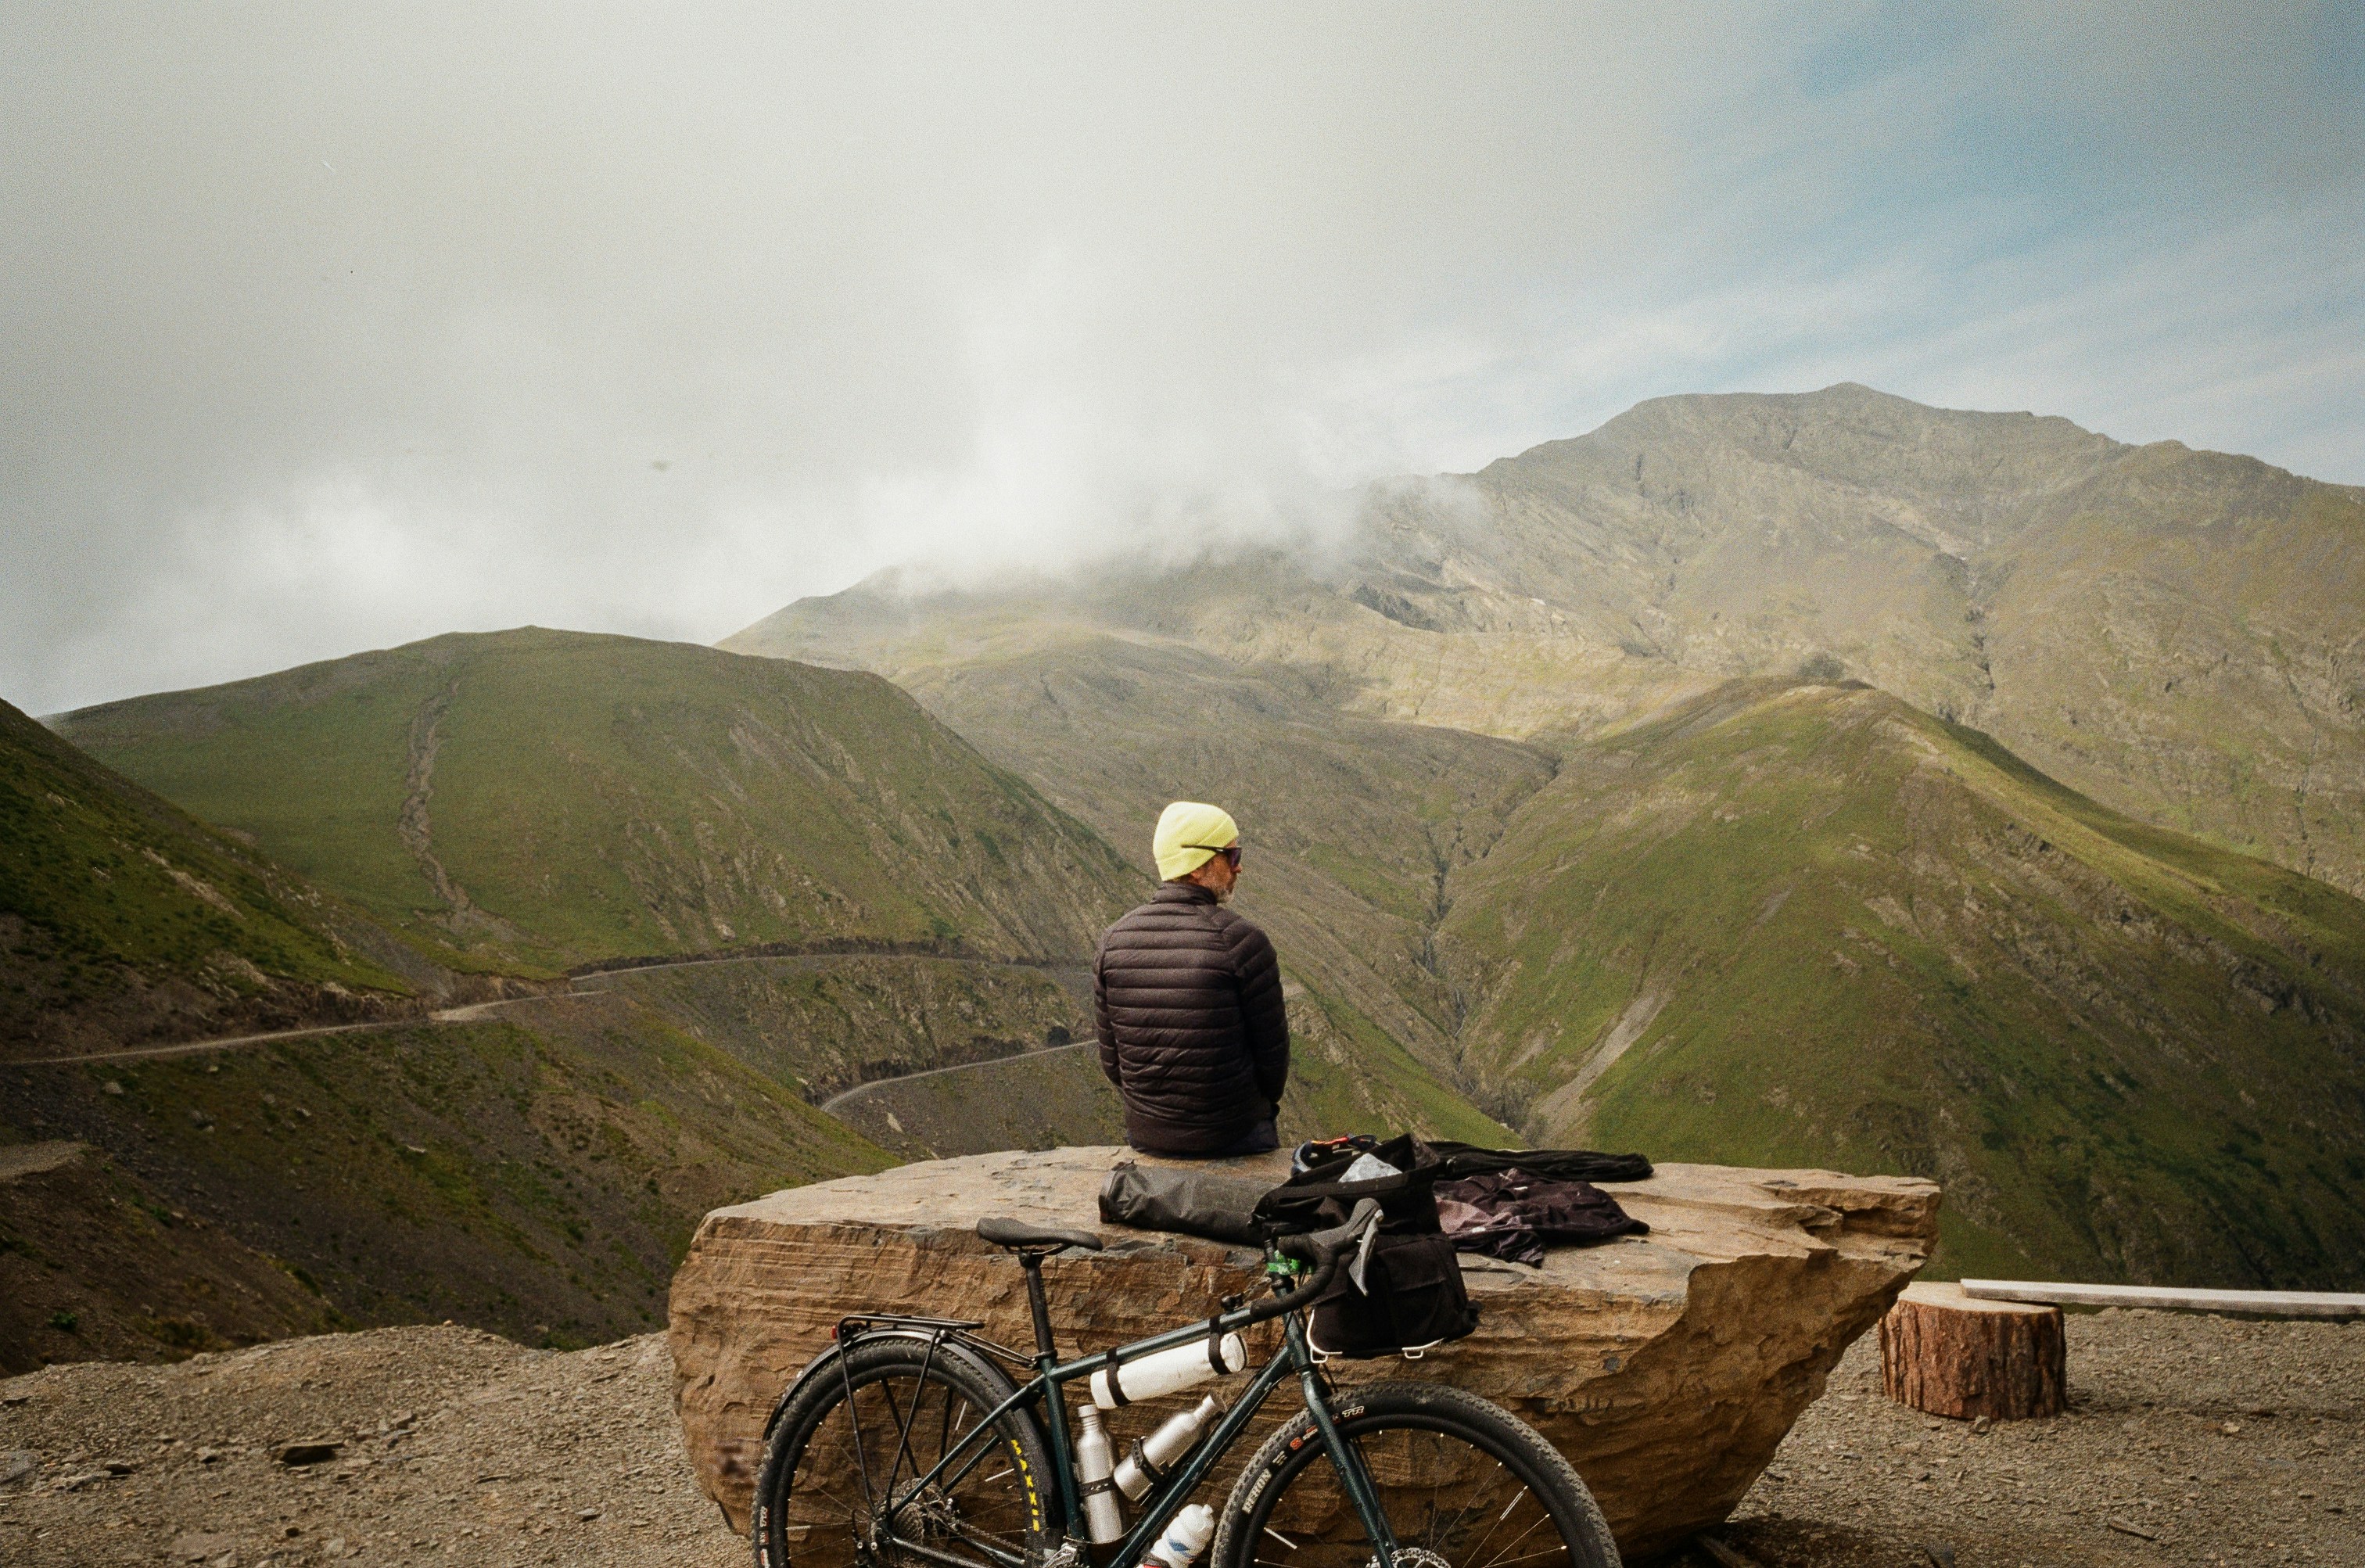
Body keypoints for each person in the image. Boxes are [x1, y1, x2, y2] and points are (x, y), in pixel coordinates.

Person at [1093, 800, 1289, 1157]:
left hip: (1148, 1138)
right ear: (1198, 866)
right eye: (1231, 855)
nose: (1239, 867)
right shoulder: (1242, 941)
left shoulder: (1112, 941)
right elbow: (1273, 1065)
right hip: (1235, 1137)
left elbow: (1114, 1064)